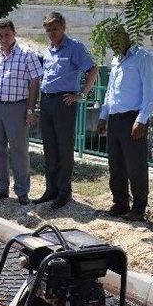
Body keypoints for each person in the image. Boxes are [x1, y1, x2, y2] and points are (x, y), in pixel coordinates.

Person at [33, 12, 99, 210]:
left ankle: (64, 192)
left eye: (55, 29)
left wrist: (81, 94)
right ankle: (50, 189)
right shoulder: (47, 51)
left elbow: (93, 69)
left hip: (64, 102)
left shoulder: (75, 47)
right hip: (46, 102)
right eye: (48, 30)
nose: (52, 33)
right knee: (49, 147)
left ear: (63, 27)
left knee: (64, 148)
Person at [0, 18, 43, 205]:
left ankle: (22, 191)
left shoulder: (27, 54)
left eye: (7, 34)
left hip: (18, 107)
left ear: (14, 33)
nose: (3, 38)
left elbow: (34, 82)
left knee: (19, 150)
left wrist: (31, 109)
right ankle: (1, 187)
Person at [96, 24, 153, 221]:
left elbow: (150, 94)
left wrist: (141, 120)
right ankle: (120, 203)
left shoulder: (143, 57)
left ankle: (139, 208)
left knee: (136, 166)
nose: (113, 43)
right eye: (110, 40)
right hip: (115, 120)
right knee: (116, 164)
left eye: (117, 38)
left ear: (127, 36)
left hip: (133, 119)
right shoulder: (115, 61)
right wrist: (103, 116)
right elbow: (110, 92)